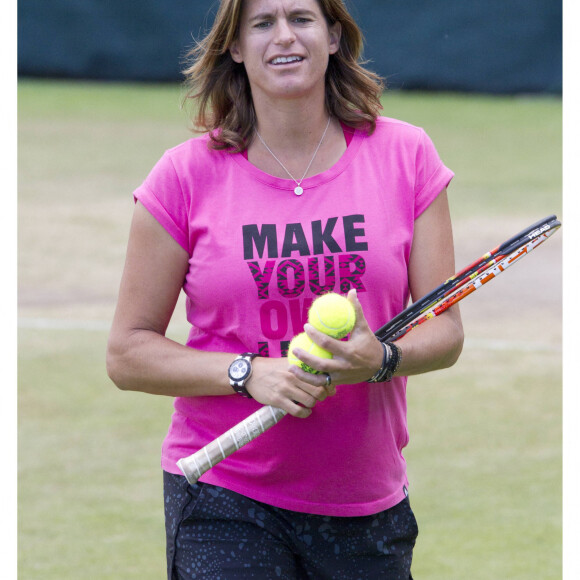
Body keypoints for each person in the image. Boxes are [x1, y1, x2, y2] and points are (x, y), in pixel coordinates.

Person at [106, 0, 464, 578]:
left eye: (301, 18)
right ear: (236, 46)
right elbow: (126, 353)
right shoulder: (182, 176)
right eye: (262, 23)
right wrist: (250, 374)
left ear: (332, 37)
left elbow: (444, 330)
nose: (283, 36)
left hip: (363, 498)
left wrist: (381, 359)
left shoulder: (407, 156)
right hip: (225, 491)